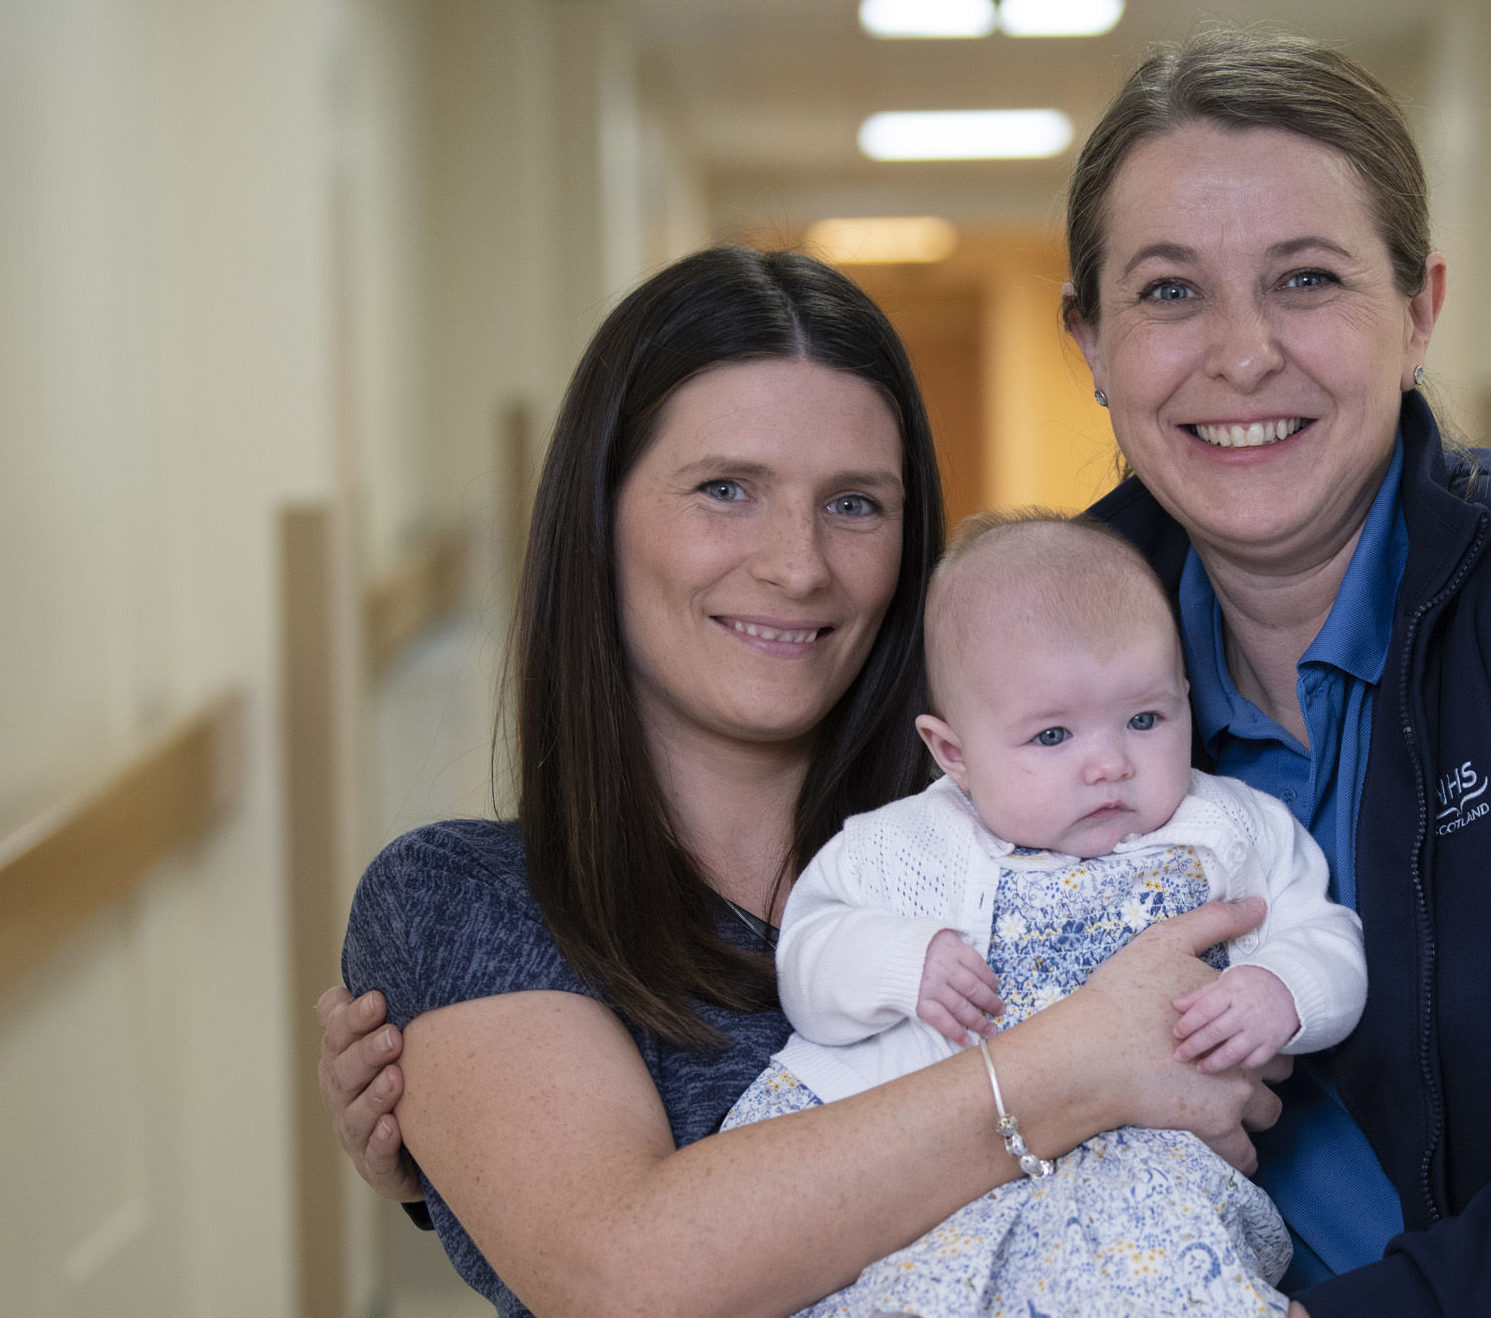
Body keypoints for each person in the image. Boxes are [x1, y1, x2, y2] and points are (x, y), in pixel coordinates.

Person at [327, 28, 1491, 1318]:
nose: (1239, 352)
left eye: (1306, 276)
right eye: (1168, 290)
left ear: (1419, 305)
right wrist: (472, 1150)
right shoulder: (1035, 686)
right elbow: (671, 1204)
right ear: (1086, 342)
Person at [329, 244, 1283, 1318]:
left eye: (855, 505)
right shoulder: (468, 896)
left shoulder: (1071, 817)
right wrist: (1079, 1063)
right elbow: (624, 1275)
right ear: (598, 519)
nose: (797, 564)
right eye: (725, 490)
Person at [718, 512, 1367, 1316]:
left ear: (1185, 701)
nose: (1108, 764)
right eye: (1052, 734)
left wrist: (1283, 989)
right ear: (953, 753)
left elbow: (1327, 935)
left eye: (1145, 719)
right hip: (924, 1182)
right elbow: (809, 959)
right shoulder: (904, 848)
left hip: (1139, 1181)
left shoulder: (1227, 831)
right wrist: (898, 961)